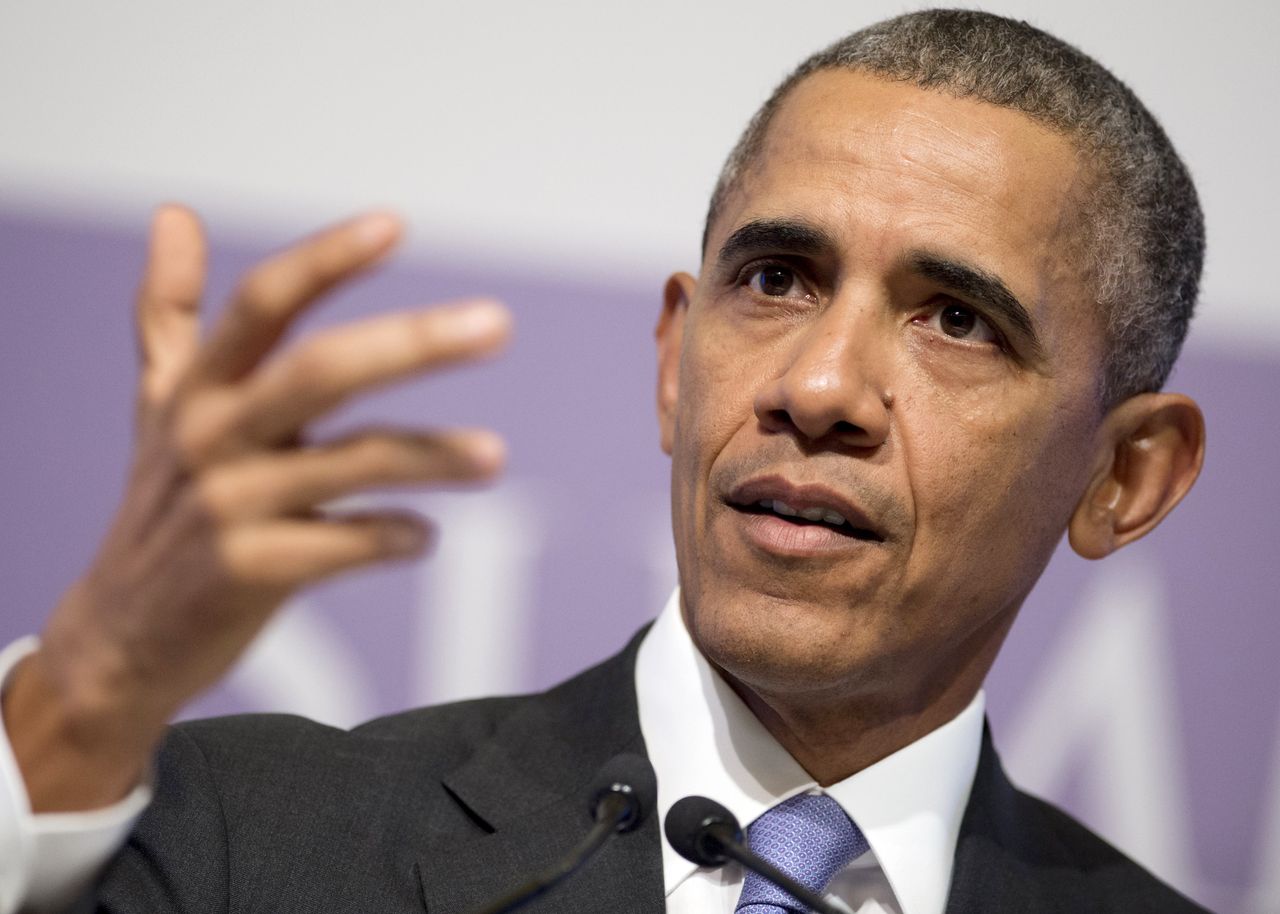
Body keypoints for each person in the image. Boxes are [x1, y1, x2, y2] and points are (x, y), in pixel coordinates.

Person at [0, 9, 1211, 913]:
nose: (816, 387)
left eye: (954, 318)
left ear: (1125, 476)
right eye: (775, 279)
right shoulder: (245, 842)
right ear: (672, 360)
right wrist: (78, 707)